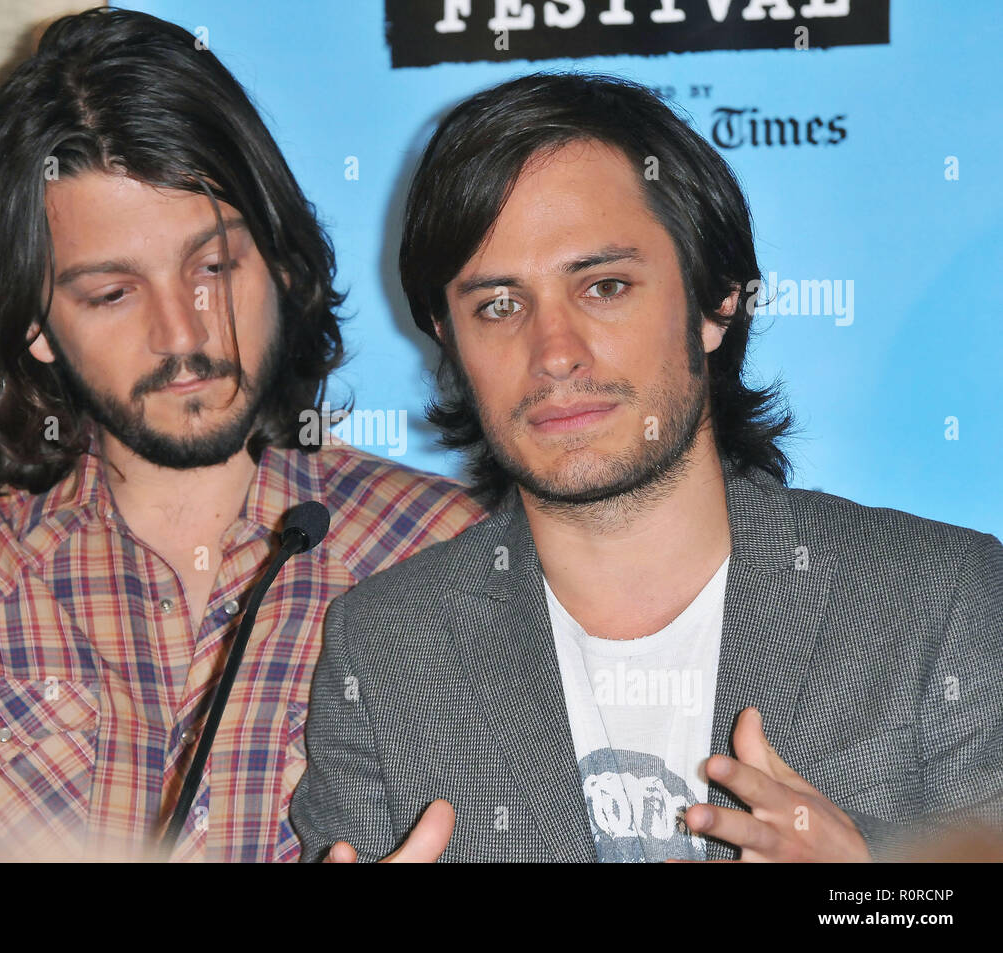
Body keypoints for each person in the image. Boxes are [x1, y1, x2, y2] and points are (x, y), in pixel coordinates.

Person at [0, 7, 482, 863]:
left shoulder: (444, 551)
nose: (182, 333)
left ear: (283, 263)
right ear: (35, 323)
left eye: (214, 267)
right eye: (111, 293)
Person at [289, 72, 1003, 863]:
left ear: (716, 302)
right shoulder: (386, 649)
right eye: (498, 304)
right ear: (447, 338)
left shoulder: (942, 597)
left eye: (604, 287)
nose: (554, 352)